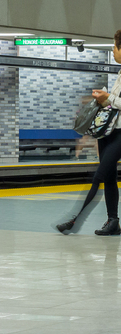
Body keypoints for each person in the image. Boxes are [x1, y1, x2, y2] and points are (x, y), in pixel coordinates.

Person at [57, 30, 121, 235]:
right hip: (109, 132)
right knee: (108, 177)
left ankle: (74, 220)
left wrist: (109, 97)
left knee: (99, 175)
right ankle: (113, 222)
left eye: (114, 47)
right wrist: (104, 98)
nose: (112, 50)